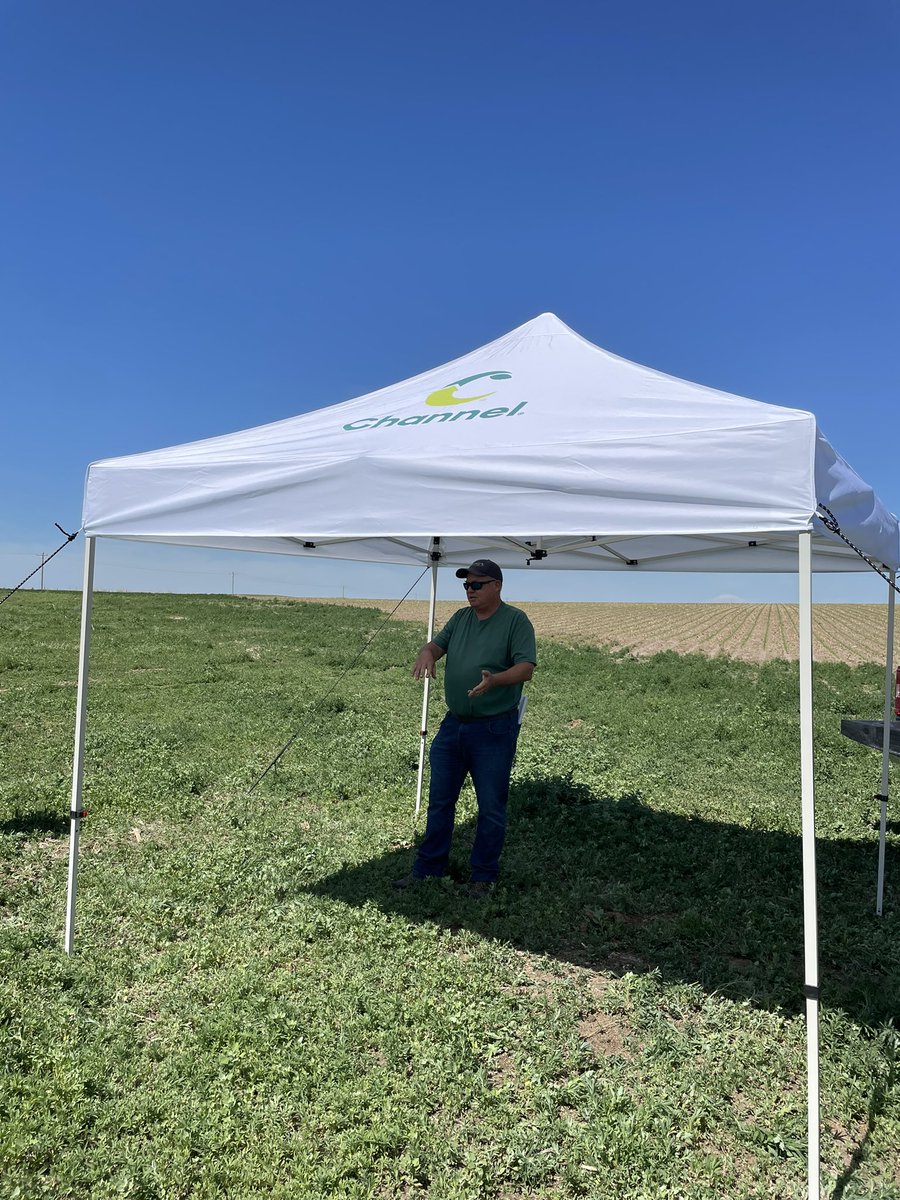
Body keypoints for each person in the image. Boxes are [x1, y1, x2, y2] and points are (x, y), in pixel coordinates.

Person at [395, 559, 536, 896]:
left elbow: (526, 668)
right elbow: (435, 645)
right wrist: (426, 652)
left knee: (490, 806)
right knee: (440, 801)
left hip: (493, 730)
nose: (469, 591)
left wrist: (495, 680)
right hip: (454, 724)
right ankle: (428, 869)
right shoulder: (460, 619)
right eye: (466, 586)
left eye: (477, 585)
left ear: (497, 586)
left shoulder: (515, 621)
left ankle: (483, 878)